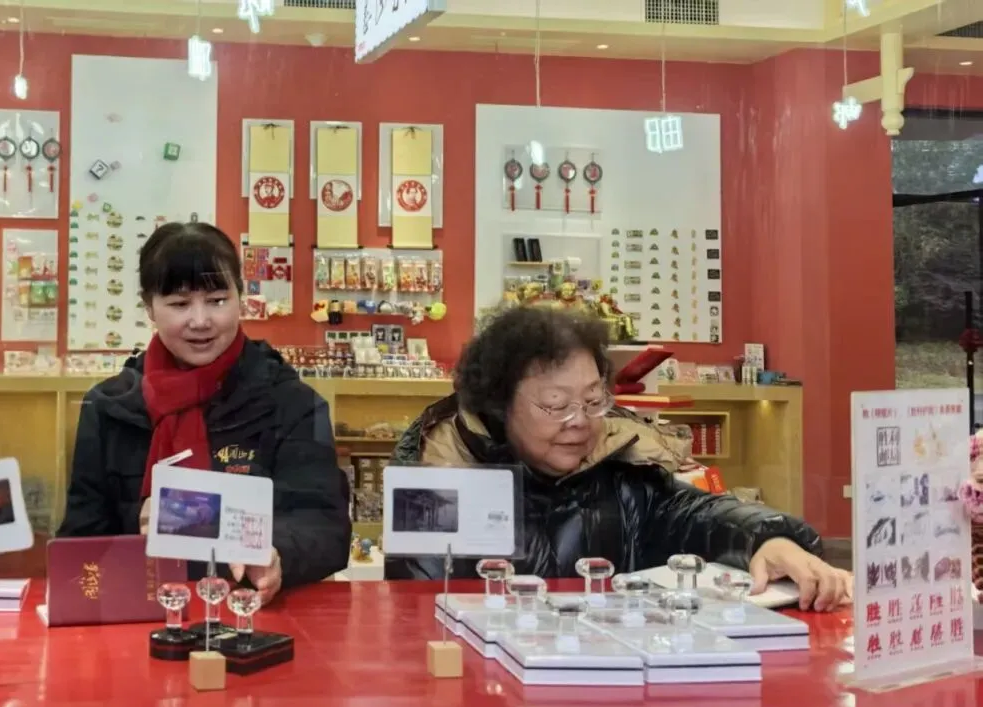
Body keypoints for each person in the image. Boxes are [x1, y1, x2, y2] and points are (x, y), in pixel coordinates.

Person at [385, 306, 851, 613]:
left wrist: (768, 540)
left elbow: (698, 514)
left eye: (593, 400)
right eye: (556, 404)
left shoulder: (623, 474)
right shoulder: (440, 481)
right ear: (499, 405)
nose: (579, 421)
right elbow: (417, 614)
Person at [58, 221, 351, 603]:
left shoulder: (291, 403)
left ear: (240, 297)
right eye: (179, 304)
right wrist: (136, 524)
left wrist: (277, 554)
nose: (200, 321)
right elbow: (81, 543)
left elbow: (325, 527)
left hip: (255, 614)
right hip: (138, 613)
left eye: (217, 300)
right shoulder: (109, 408)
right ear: (149, 307)